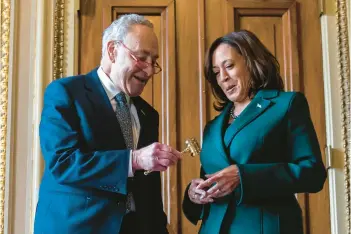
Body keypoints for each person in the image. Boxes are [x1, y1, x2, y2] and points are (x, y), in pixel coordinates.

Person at [34, 14, 181, 234]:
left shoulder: (148, 114)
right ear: (112, 50)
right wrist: (134, 160)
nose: (150, 70)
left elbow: (148, 189)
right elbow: (62, 162)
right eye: (141, 58)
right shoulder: (66, 93)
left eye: (154, 61)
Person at [182, 30, 327, 234]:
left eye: (229, 66)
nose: (223, 78)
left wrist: (243, 176)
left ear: (251, 63)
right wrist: (194, 194)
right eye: (216, 72)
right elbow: (211, 180)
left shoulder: (286, 105)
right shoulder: (213, 127)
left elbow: (312, 173)